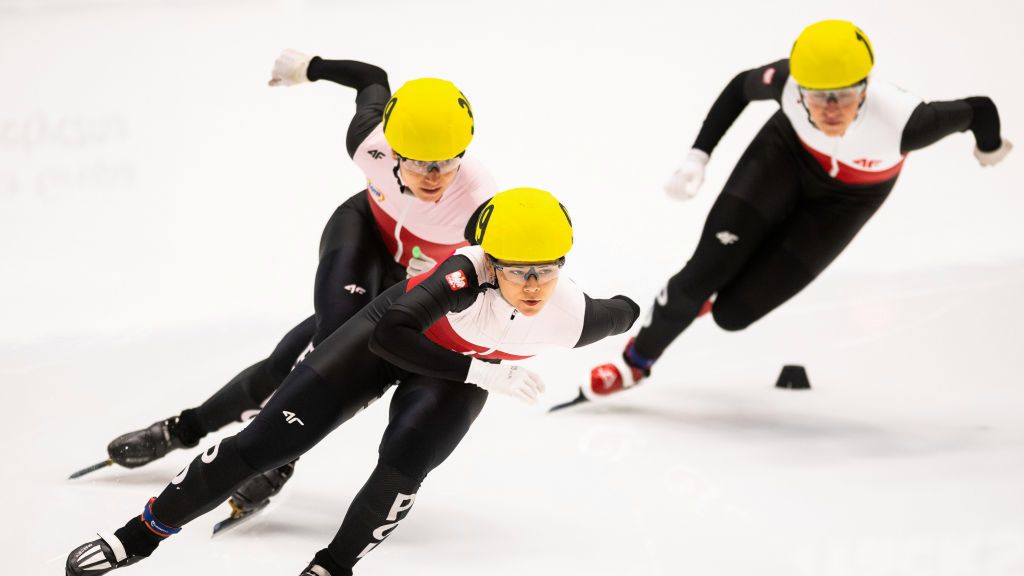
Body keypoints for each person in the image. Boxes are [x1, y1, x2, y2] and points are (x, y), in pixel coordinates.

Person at [65, 187, 641, 576]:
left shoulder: (575, 317)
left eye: (547, 270)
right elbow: (392, 334)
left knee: (406, 460)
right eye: (518, 272)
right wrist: (481, 369)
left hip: (454, 375)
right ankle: (138, 536)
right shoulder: (465, 272)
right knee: (264, 444)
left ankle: (329, 568)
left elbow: (628, 309)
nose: (534, 285)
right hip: (391, 341)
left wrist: (480, 369)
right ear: (493, 261)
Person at [88, 49, 497, 517]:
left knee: (309, 362)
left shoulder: (480, 202)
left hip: (411, 283)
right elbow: (372, 77)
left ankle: (259, 450)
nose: (435, 177)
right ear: (393, 149)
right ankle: (190, 433)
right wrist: (310, 68)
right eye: (422, 164)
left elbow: (515, 265)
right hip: (363, 232)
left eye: (448, 163)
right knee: (326, 344)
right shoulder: (368, 140)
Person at [580, 20, 1012, 399]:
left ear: (865, 87)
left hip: (850, 199)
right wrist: (698, 155)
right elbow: (739, 88)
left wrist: (989, 148)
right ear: (799, 87)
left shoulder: (906, 121)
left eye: (842, 97)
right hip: (786, 155)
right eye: (816, 96)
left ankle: (713, 298)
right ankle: (633, 364)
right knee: (700, 274)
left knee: (733, 315)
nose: (828, 110)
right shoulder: (786, 82)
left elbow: (980, 110)